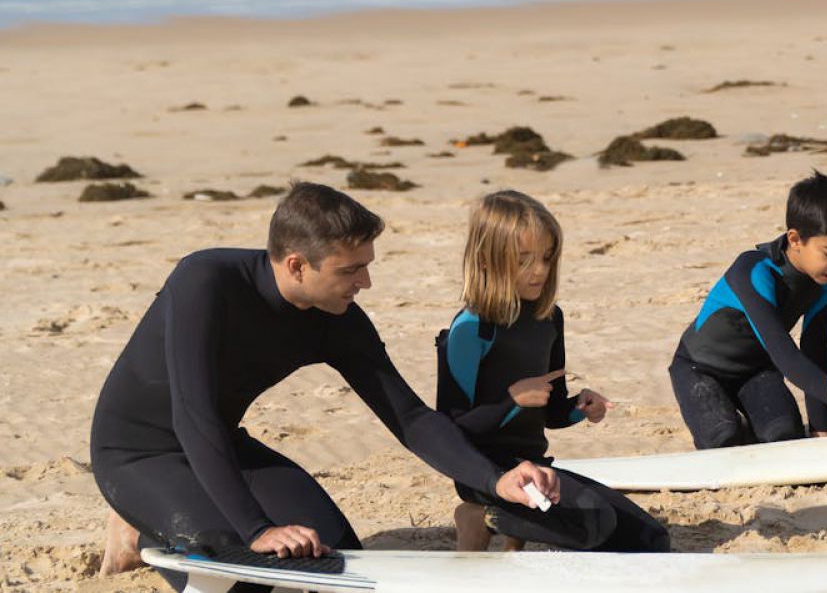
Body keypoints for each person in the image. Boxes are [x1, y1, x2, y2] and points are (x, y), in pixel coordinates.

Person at [90, 183, 560, 592]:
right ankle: (144, 526)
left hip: (222, 446)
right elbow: (192, 413)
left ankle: (177, 516)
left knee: (342, 564)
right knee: (249, 575)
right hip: (139, 451)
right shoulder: (206, 282)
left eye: (366, 266)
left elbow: (411, 419)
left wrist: (493, 479)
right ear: (297, 265)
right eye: (351, 270)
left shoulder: (339, 320)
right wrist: (256, 529)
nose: (367, 282)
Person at [437, 190, 669, 553]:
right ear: (486, 260)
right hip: (486, 474)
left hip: (536, 466)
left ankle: (517, 526)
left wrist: (581, 406)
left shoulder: (550, 317)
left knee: (652, 538)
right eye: (524, 260)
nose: (540, 270)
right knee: (595, 524)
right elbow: (449, 431)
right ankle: (479, 515)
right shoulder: (472, 328)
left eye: (546, 257)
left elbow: (554, 413)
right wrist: (511, 401)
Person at [669, 171, 827, 449]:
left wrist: (822, 431)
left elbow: (815, 351)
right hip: (700, 369)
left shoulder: (823, 279)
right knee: (724, 439)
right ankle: (730, 418)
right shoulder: (752, 270)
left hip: (756, 371)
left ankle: (751, 417)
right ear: (795, 239)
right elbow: (784, 354)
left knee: (785, 436)